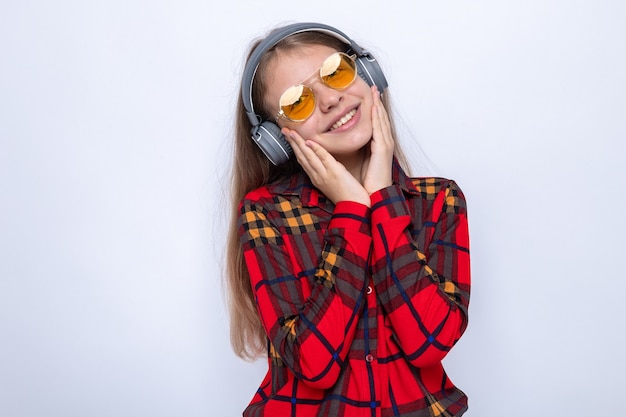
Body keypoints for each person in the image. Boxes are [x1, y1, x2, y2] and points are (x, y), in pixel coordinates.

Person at [225, 22, 471, 417]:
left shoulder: (440, 201)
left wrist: (381, 198)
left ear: (368, 73)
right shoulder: (265, 213)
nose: (329, 101)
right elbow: (314, 365)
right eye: (298, 102)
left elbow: (429, 341)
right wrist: (353, 211)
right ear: (276, 138)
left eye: (335, 72)